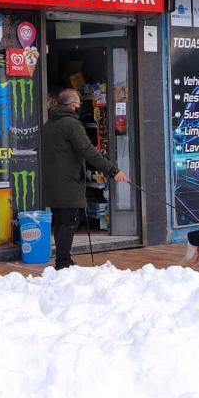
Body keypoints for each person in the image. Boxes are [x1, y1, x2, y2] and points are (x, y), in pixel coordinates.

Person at [42, 88, 128, 270]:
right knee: (69, 222)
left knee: (60, 222)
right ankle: (62, 263)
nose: (80, 106)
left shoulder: (48, 124)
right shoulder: (71, 125)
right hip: (68, 182)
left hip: (52, 181)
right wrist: (112, 171)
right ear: (72, 105)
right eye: (79, 104)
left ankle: (63, 259)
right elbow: (88, 151)